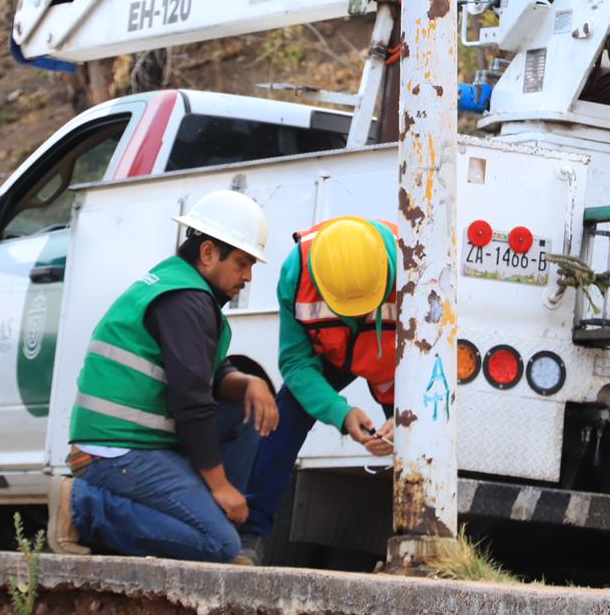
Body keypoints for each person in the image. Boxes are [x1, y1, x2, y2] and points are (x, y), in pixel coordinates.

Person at [46, 190, 279, 562]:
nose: (248, 276)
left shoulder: (183, 287)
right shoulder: (185, 300)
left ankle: (207, 521)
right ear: (207, 253)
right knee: (219, 546)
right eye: (242, 262)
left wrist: (249, 383)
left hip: (138, 444)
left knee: (247, 413)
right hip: (115, 452)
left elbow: (211, 375)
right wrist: (219, 485)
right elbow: (192, 400)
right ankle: (82, 507)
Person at [238, 216, 399, 563]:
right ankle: (250, 535)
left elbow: (433, 361)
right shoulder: (296, 272)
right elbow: (296, 362)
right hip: (330, 350)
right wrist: (340, 413)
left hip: (394, 360)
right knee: (284, 419)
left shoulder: (417, 262)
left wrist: (404, 419)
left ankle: (418, 542)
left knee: (423, 444)